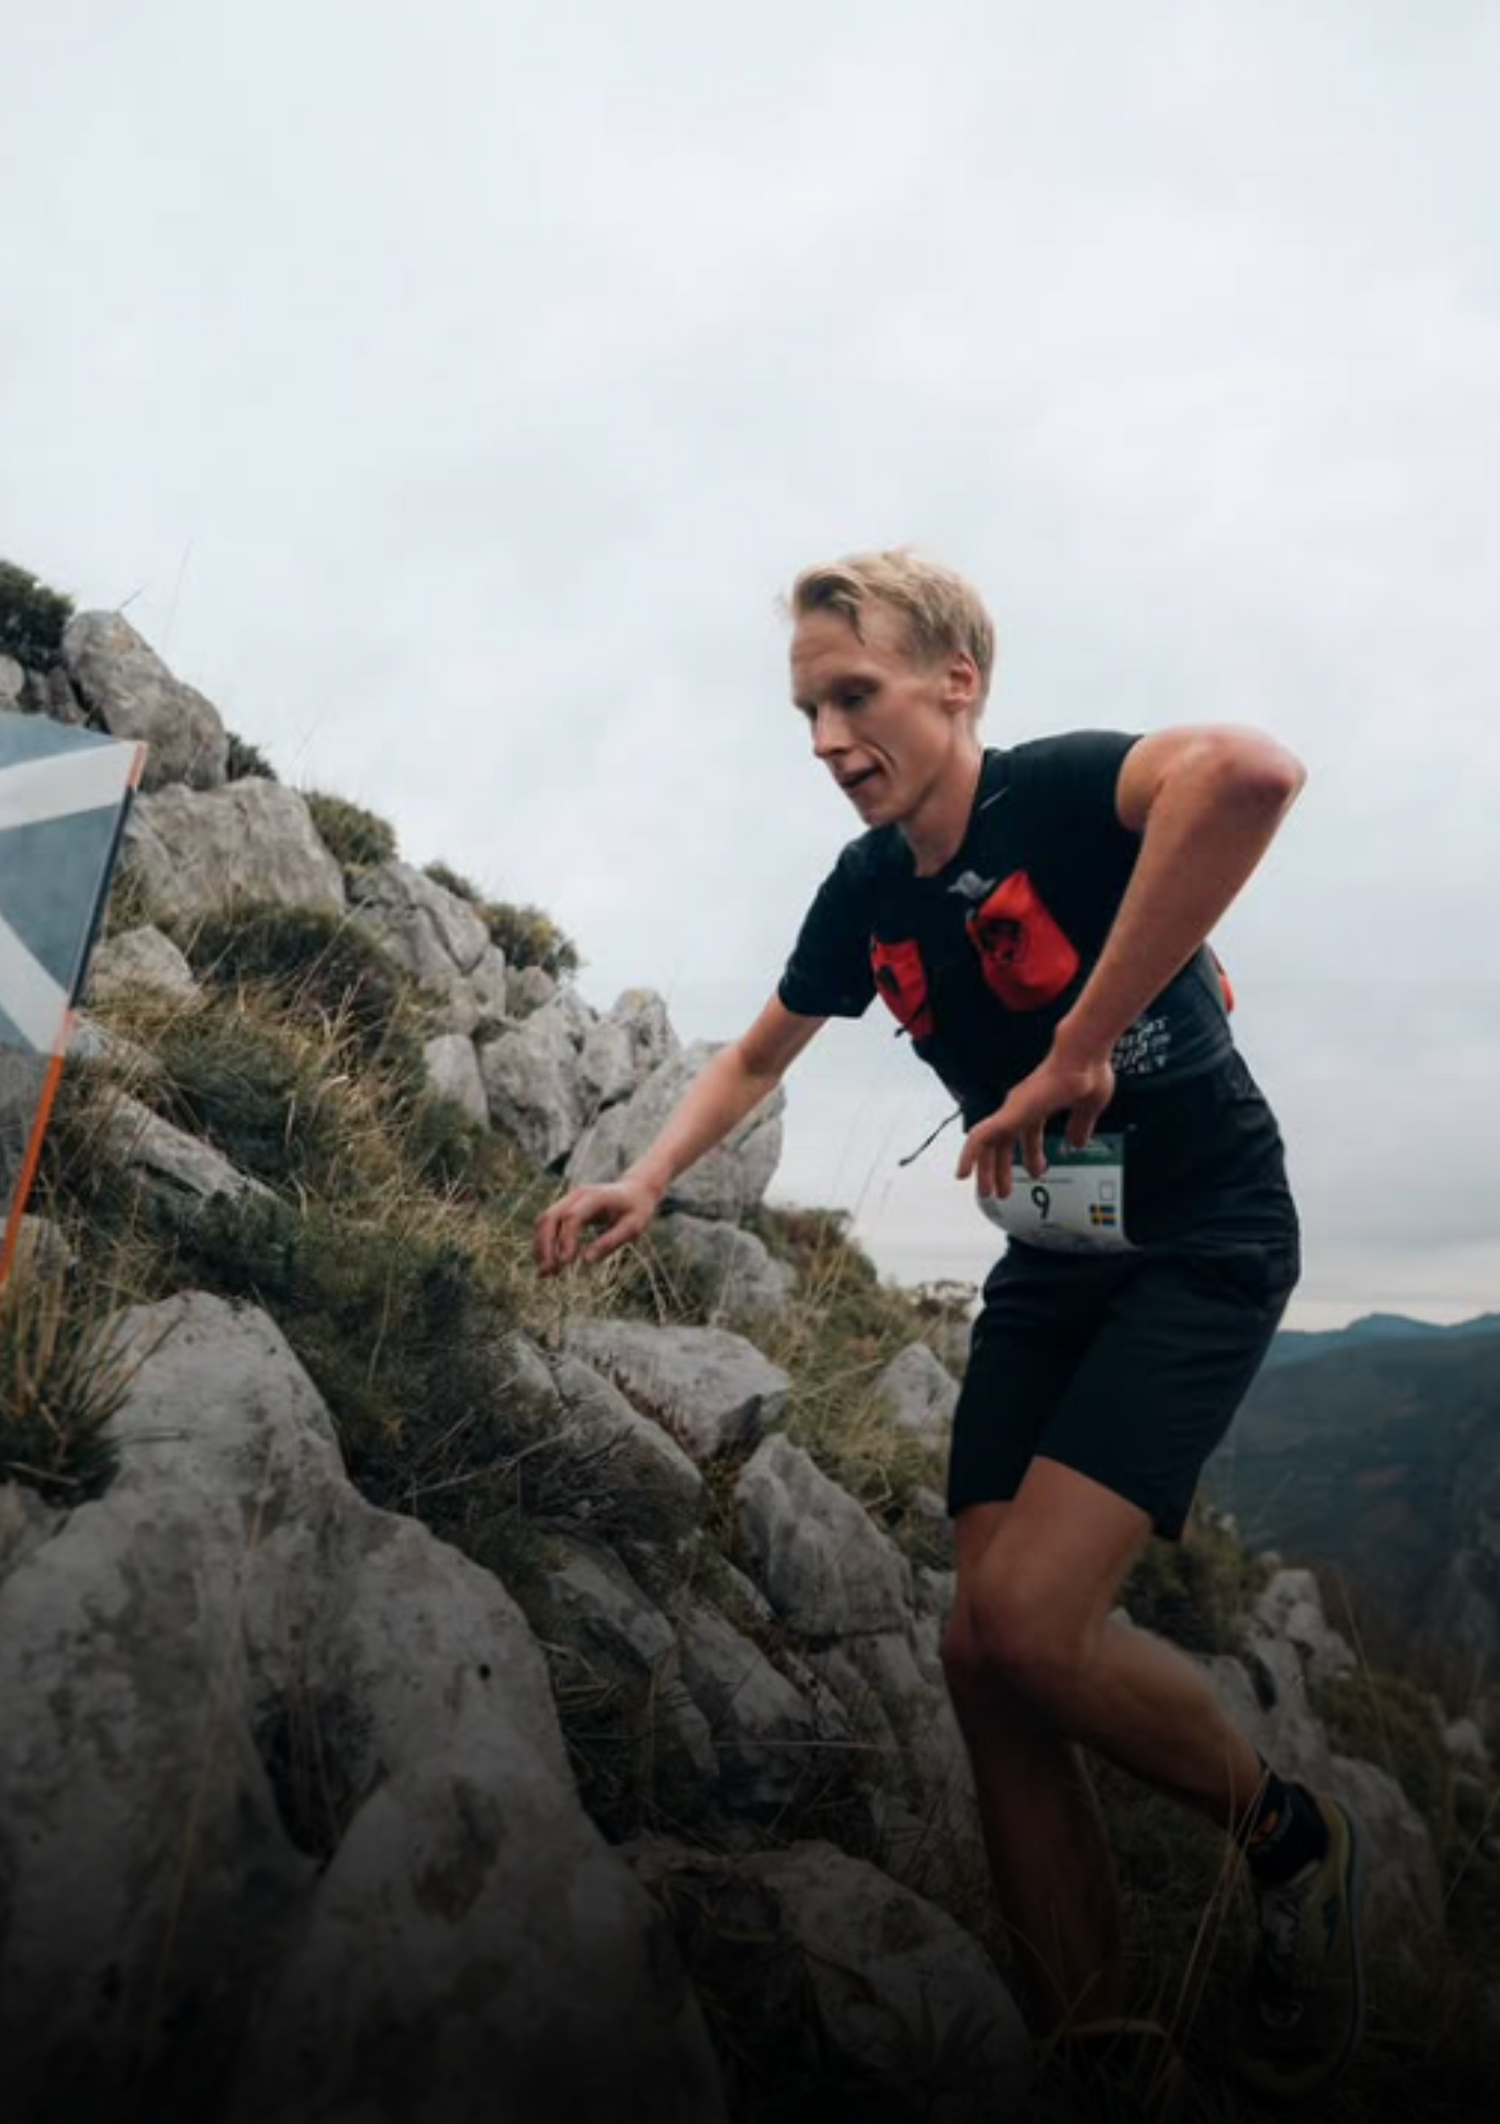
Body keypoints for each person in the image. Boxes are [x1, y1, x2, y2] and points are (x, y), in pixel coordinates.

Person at [533, 550, 1365, 2108]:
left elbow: (1251, 775)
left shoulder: (1058, 794)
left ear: (956, 683)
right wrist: (644, 1176)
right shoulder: (866, 893)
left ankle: (1288, 1833)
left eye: (855, 696)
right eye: (808, 710)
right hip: (1054, 1263)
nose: (828, 738)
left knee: (1036, 1627)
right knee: (983, 1661)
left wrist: (1080, 1043)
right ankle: (1095, 2050)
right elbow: (761, 1052)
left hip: (1202, 1245)